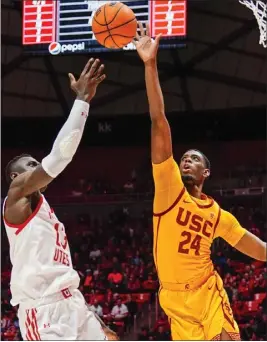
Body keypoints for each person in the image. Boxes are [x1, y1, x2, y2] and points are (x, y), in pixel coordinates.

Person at [133, 22, 267, 341]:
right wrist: (150, 65)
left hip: (206, 292)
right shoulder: (169, 188)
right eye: (184, 158)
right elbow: (159, 123)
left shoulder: (217, 214)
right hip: (173, 300)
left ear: (206, 172)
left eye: (194, 159)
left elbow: (256, 247)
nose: (186, 160)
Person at [3, 58, 118, 341]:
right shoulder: (16, 197)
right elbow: (59, 157)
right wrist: (82, 101)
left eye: (35, 165)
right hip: (42, 311)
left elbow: (61, 270)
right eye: (30, 166)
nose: (36, 169)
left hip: (72, 302)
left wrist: (91, 314)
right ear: (14, 178)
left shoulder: (44, 209)